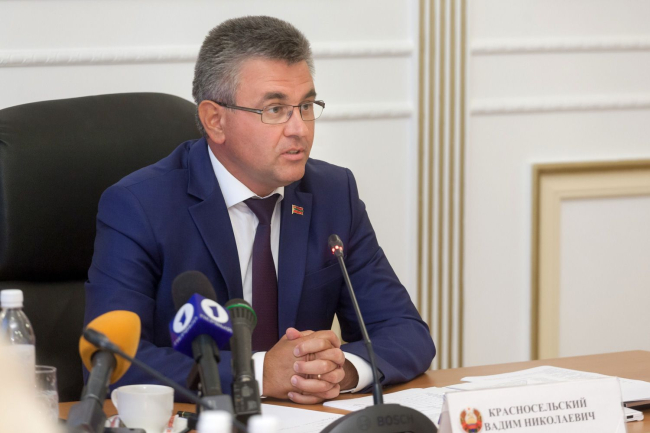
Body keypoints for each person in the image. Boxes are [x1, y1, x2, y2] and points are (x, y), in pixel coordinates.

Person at [84, 15, 435, 404]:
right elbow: (112, 359)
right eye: (275, 109)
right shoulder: (138, 207)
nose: (300, 128)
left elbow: (406, 332)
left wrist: (342, 370)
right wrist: (257, 373)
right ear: (215, 120)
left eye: (306, 105)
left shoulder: (334, 193)